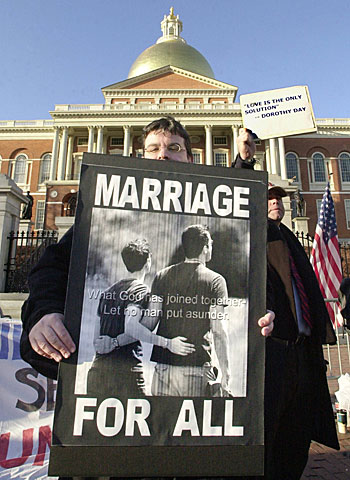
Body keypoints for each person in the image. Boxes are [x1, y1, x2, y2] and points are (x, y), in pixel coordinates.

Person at [20, 116, 273, 379]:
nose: (163, 155)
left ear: (190, 159)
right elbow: (52, 267)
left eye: (173, 148)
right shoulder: (111, 208)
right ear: (141, 157)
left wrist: (261, 311)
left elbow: (247, 246)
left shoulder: (211, 212)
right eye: (154, 148)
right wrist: (45, 313)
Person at [261, 183, 339, 479]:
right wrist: (244, 161)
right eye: (268, 198)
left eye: (278, 197)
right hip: (278, 351)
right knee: (272, 436)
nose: (276, 202)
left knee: (298, 435)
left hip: (303, 351)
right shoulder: (258, 235)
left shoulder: (289, 237)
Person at [129, 224, 231, 397]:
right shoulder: (216, 281)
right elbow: (219, 330)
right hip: (196, 369)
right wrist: (226, 373)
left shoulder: (161, 276)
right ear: (205, 248)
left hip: (162, 370)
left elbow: (148, 323)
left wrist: (129, 313)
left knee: (162, 424)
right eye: (210, 244)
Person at [87, 238, 195, 397]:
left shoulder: (107, 292)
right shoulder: (140, 291)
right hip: (126, 373)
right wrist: (167, 343)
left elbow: (97, 340)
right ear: (148, 261)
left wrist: (110, 342)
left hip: (96, 371)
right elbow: (131, 326)